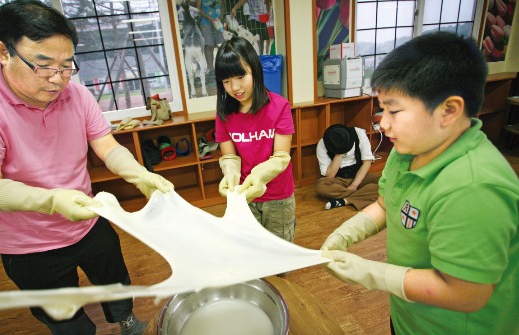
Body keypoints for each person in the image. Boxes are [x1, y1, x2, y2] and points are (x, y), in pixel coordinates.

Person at [0, 1, 173, 334]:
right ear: (4, 51)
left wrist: (139, 173)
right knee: (61, 315)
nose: (57, 79)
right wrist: (51, 201)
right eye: (43, 65)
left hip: (88, 218)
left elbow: (106, 146)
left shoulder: (77, 95)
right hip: (28, 242)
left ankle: (126, 319)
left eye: (67, 66)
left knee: (115, 280)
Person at [321, 31, 519, 335]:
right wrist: (347, 232)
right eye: (382, 110)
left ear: (448, 110)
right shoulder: (408, 150)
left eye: (394, 111)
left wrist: (373, 273)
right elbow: (386, 204)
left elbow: (467, 293)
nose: (383, 123)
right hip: (409, 315)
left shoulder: (475, 187)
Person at [214, 36, 296, 242]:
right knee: (252, 249)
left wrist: (259, 176)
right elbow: (230, 158)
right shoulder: (224, 114)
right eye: (226, 81)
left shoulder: (280, 106)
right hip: (244, 197)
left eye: (240, 77)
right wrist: (230, 174)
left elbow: (281, 157)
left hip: (278, 197)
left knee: (280, 251)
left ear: (255, 70)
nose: (235, 87)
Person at [316, 124, 379, 210]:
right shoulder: (323, 143)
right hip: (338, 179)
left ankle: (345, 200)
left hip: (359, 176)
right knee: (321, 186)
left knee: (385, 183)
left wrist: (354, 185)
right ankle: (361, 195)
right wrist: (338, 153)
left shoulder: (359, 133)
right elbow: (330, 175)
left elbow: (367, 163)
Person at [196, 0, 225, 76]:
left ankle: (223, 67)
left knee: (222, 45)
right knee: (209, 45)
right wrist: (210, 19)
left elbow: (223, 5)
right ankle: (210, 69)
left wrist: (220, 16)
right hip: (206, 23)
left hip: (218, 22)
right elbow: (198, 8)